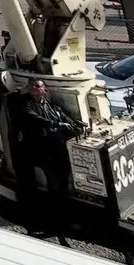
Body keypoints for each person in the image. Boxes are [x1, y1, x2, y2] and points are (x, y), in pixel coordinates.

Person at [18, 78, 85, 241]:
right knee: (53, 186)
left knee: (63, 184)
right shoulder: (25, 103)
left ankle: (66, 220)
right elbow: (34, 119)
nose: (35, 88)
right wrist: (58, 124)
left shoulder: (47, 103)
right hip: (42, 151)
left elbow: (60, 114)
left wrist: (72, 123)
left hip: (57, 149)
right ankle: (54, 224)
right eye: (32, 85)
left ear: (44, 89)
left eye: (38, 86)